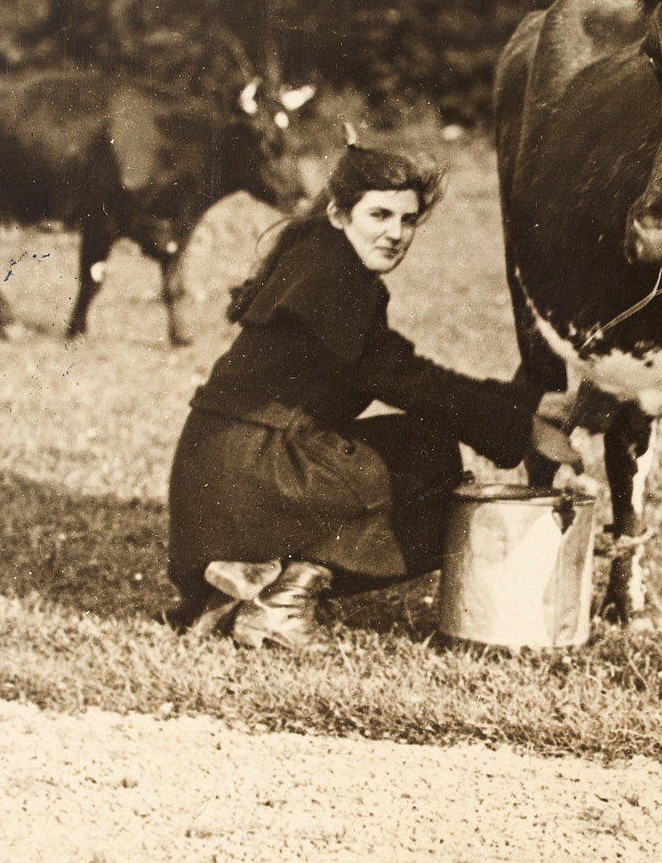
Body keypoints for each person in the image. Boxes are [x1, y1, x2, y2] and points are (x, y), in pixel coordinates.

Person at [166, 137, 578, 649]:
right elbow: (401, 377)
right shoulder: (332, 275)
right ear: (341, 214)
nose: (396, 234)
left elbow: (400, 373)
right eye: (380, 215)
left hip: (217, 478)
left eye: (407, 220)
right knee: (430, 464)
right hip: (250, 470)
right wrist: (523, 426)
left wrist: (529, 403)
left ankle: (250, 576)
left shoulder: (315, 256)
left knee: (414, 443)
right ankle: (281, 599)